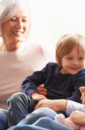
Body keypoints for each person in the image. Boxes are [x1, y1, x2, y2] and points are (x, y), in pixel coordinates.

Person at [2, 10, 85, 130]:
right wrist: (36, 93)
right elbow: (31, 81)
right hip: (41, 104)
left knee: (43, 115)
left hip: (62, 115)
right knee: (7, 108)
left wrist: (60, 103)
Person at [6, 33, 85, 127]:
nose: (76, 62)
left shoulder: (83, 74)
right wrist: (35, 95)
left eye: (81, 58)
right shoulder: (51, 68)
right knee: (16, 97)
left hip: (57, 112)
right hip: (39, 104)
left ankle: (17, 128)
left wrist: (53, 104)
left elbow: (77, 99)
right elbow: (29, 81)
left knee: (43, 111)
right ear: (59, 58)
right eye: (70, 58)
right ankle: (17, 126)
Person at [0, 0, 55, 129]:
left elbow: (72, 71)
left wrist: (50, 88)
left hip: (32, 116)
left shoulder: (43, 51)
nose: (20, 26)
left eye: (24, 20)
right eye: (13, 19)